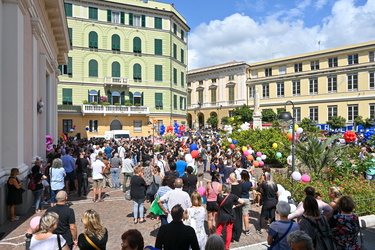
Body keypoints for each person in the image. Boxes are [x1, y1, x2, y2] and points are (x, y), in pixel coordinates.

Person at [215, 183, 244, 250]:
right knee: (229, 231)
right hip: (230, 215)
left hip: (222, 215)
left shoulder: (219, 196)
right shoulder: (232, 196)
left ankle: (216, 245)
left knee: (218, 230)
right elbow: (242, 202)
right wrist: (236, 206)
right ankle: (227, 246)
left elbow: (217, 204)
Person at [257, 172, 278, 236]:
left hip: (267, 201)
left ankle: (262, 230)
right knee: (273, 215)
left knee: (263, 216)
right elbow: (276, 192)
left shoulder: (264, 184)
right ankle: (273, 229)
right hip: (274, 201)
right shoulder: (274, 184)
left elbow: (261, 190)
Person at [229, 172, 243, 242]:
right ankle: (238, 234)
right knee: (239, 218)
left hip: (232, 204)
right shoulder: (240, 185)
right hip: (238, 203)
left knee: (232, 220)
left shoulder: (230, 186)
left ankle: (232, 234)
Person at [240, 170, 253, 235]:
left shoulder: (239, 182)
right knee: (245, 215)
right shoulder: (249, 183)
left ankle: (238, 228)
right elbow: (252, 188)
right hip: (246, 198)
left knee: (238, 215)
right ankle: (247, 229)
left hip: (239, 199)